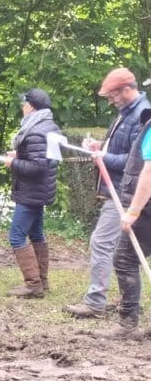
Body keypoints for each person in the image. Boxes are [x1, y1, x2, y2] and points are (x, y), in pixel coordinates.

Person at [64, 68, 150, 318]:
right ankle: (126, 301)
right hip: (124, 190)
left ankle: (96, 301)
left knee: (103, 243)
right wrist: (101, 147)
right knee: (120, 251)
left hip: (126, 191)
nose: (110, 100)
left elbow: (135, 161)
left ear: (126, 89)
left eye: (112, 95)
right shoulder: (126, 113)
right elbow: (125, 148)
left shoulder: (141, 115)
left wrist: (104, 157)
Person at [100, 77, 151, 339]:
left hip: (147, 209)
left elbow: (149, 173)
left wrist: (134, 210)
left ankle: (128, 323)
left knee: (124, 258)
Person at [3, 88, 61, 298]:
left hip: (31, 192)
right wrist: (19, 154)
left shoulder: (36, 130)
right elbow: (41, 158)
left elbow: (38, 167)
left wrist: (14, 162)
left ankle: (33, 284)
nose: (22, 106)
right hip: (39, 191)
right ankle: (42, 282)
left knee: (16, 236)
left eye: (24, 103)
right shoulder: (49, 126)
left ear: (31, 106)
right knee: (36, 234)